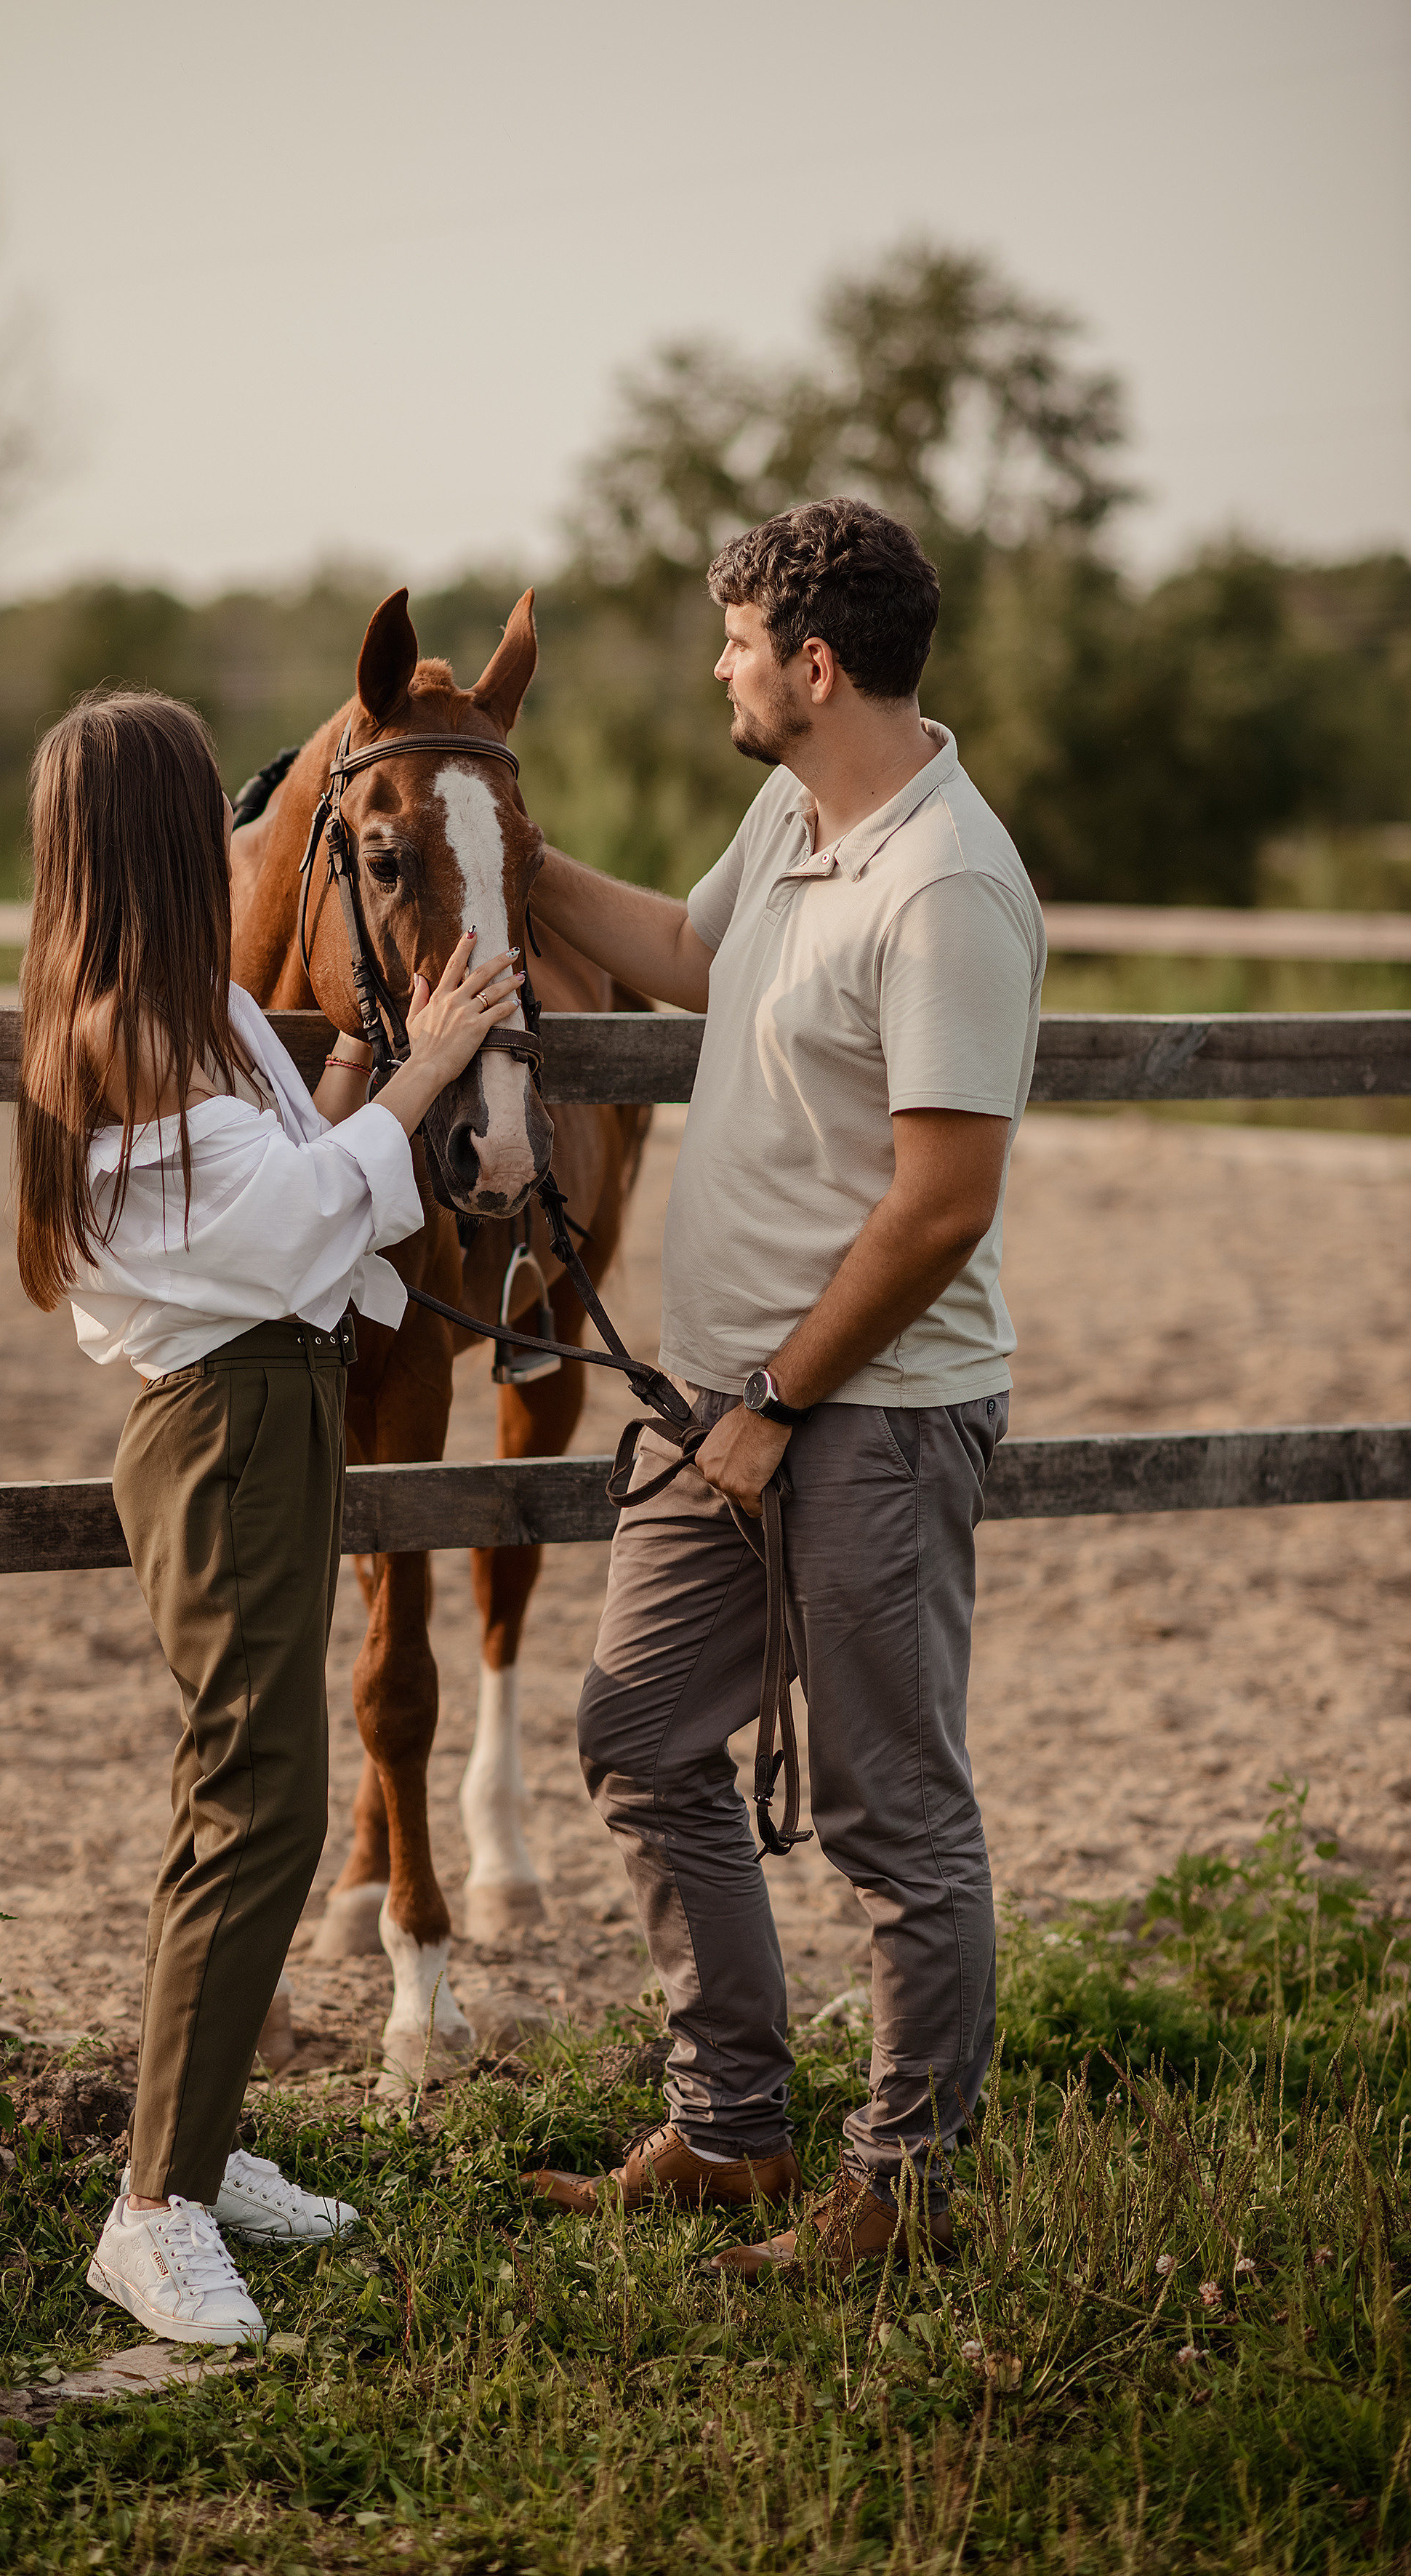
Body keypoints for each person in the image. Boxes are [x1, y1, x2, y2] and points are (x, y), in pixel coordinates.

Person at [526, 499, 1045, 2279]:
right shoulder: (790, 813)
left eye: (737, 641)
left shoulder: (946, 882)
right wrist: (500, 854)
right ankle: (736, 2132)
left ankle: (901, 2194)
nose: (718, 668)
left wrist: (776, 1405)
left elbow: (941, 1201)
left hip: (870, 1417)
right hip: (712, 1406)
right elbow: (686, 954)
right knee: (640, 1735)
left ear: (812, 666)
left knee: (891, 1812)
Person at [13, 689, 524, 2341]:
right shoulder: (113, 1033)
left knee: (250, 1793)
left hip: (279, 1413)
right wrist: (425, 1074)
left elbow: (317, 1163)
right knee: (261, 1804)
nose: (245, 831)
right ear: (158, 841)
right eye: (207, 813)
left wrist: (382, 1059)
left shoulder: (211, 1016)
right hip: (223, 1430)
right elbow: (294, 1214)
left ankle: (202, 2139)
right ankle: (151, 2209)